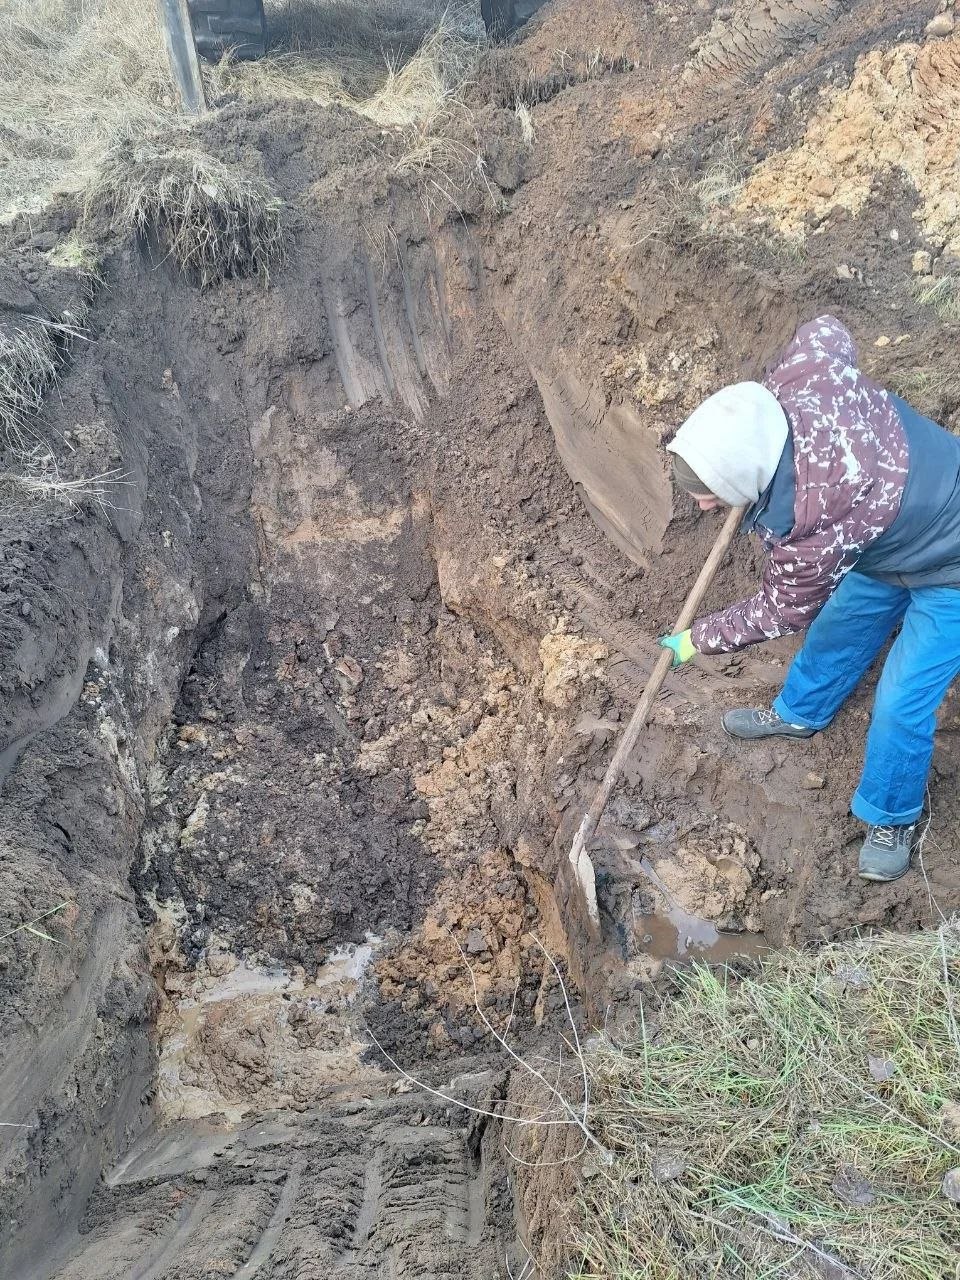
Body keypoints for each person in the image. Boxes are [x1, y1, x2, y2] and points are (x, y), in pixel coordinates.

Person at [657, 315, 960, 883]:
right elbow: (827, 328)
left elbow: (782, 607)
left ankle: (890, 815)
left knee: (901, 699)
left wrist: (695, 640)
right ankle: (797, 715)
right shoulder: (805, 375)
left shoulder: (814, 521)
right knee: (837, 630)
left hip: (952, 565)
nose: (705, 509)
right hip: (886, 534)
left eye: (711, 498)